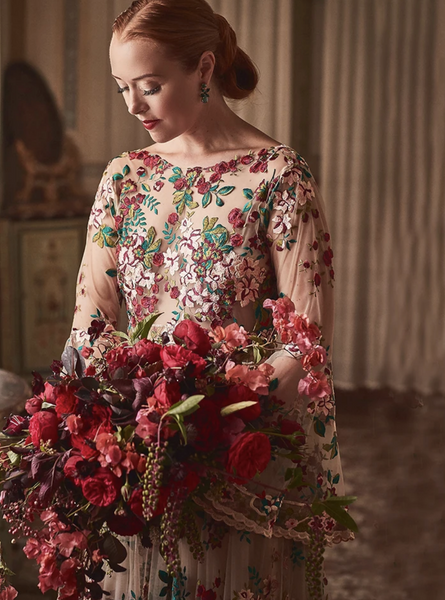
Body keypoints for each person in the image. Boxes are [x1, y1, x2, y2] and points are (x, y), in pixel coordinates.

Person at [67, 1, 350, 598]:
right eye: (122, 88)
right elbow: (90, 323)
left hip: (236, 451)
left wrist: (212, 421)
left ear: (203, 68)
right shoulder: (124, 176)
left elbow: (306, 339)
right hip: (138, 452)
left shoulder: (277, 175)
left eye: (149, 86)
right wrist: (109, 427)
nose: (132, 106)